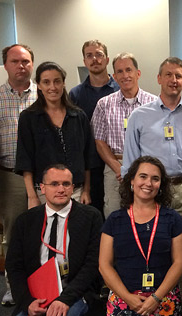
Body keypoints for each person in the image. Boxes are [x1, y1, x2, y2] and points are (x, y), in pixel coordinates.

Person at [122, 57, 182, 316]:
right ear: (158, 79)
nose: (174, 80)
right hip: (151, 191)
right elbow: (130, 161)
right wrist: (135, 196)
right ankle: (151, 301)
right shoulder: (139, 116)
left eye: (179, 76)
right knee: (153, 247)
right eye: (169, 75)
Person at [4, 165, 102, 316]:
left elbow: (92, 265)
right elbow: (14, 267)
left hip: (71, 292)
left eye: (66, 184)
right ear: (42, 188)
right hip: (36, 295)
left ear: (72, 187)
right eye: (54, 184)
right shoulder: (26, 221)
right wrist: (27, 302)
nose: (61, 189)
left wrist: (65, 300)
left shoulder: (90, 216)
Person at [99, 156, 182, 316]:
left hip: (162, 298)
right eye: (143, 176)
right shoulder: (115, 220)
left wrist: (156, 297)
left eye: (155, 179)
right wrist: (127, 297)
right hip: (124, 297)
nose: (148, 183)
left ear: (161, 185)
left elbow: (180, 262)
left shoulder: (172, 219)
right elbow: (104, 265)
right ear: (131, 181)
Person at [0, 43, 37, 307]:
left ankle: (44, 284)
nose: (21, 66)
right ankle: (13, 285)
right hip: (9, 176)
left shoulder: (45, 93)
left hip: (42, 177)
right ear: (5, 65)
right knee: (13, 232)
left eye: (26, 61)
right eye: (15, 61)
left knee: (45, 231)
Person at [15, 61, 97, 210]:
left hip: (76, 191)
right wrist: (32, 196)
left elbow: (88, 157)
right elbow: (25, 160)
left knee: (75, 232)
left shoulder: (78, 116)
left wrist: (86, 190)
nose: (52, 87)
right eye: (46, 82)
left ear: (63, 83)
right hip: (44, 192)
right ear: (39, 85)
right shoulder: (29, 118)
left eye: (57, 81)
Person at [91, 52, 156, 218]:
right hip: (115, 168)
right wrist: (118, 167)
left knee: (146, 213)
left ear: (138, 73)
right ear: (114, 76)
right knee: (114, 213)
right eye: (119, 71)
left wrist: (141, 169)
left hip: (145, 165)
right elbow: (99, 141)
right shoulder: (104, 104)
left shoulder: (154, 104)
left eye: (129, 70)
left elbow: (158, 140)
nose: (125, 75)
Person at [69, 39, 120, 217]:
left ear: (106, 59)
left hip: (116, 165)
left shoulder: (120, 90)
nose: (94, 59)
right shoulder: (75, 94)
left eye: (99, 55)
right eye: (89, 56)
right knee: (92, 214)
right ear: (84, 61)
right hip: (87, 167)